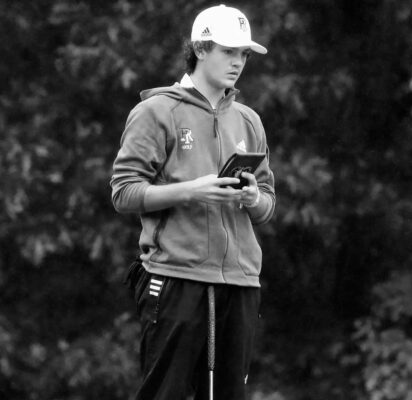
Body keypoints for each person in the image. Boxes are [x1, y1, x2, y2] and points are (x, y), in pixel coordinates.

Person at [110, 4, 275, 400]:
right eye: (228, 52)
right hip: (175, 277)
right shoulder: (156, 110)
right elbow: (124, 192)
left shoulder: (249, 120)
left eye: (244, 55)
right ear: (200, 49)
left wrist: (253, 198)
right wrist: (191, 190)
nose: (238, 63)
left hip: (240, 280)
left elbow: (268, 203)